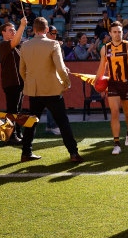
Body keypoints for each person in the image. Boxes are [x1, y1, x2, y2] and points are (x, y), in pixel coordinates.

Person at [19, 17, 83, 163]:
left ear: (33, 30)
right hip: (52, 90)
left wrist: (29, 83)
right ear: (47, 30)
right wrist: (66, 83)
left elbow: (22, 70)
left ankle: (26, 152)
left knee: (31, 122)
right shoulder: (53, 44)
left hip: (34, 91)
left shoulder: (25, 45)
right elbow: (61, 68)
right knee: (63, 122)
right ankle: (73, 153)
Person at [96, 21, 128, 155]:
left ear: (122, 32)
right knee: (115, 112)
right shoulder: (105, 48)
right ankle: (116, 143)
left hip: (126, 84)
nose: (117, 34)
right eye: (115, 32)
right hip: (112, 84)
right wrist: (96, 82)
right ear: (110, 33)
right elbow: (102, 67)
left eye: (119, 31)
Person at [0, 16, 28, 144]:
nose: (13, 31)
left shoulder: (16, 46)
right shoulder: (3, 45)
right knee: (12, 110)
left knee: (17, 110)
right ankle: (11, 136)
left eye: (14, 29)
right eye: (10, 30)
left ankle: (17, 132)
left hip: (19, 82)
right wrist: (22, 26)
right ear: (3, 33)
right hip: (11, 82)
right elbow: (15, 42)